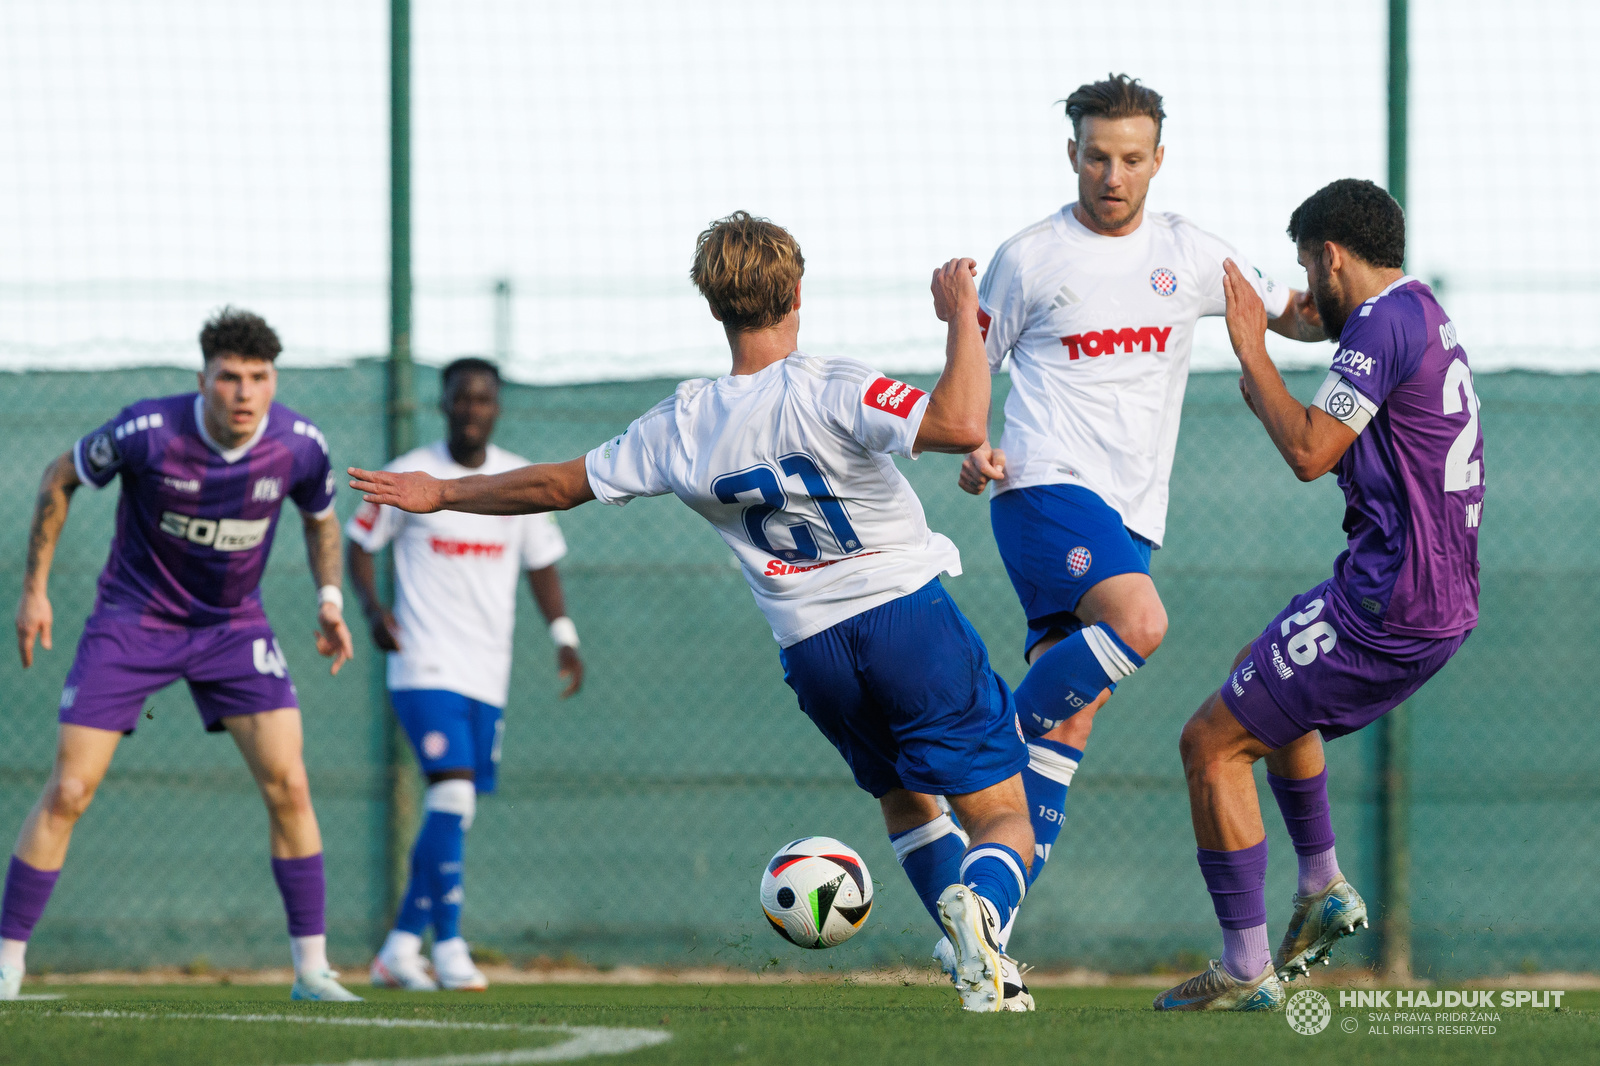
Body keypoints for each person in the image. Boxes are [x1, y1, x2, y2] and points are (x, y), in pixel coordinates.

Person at [351, 212, 1038, 1012]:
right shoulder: (831, 385)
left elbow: (559, 486)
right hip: (905, 620)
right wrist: (961, 314)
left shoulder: (681, 423)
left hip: (812, 652)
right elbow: (959, 424)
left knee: (904, 799)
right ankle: (983, 915)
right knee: (1002, 818)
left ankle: (981, 968)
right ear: (797, 294)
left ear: (714, 307)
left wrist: (444, 493)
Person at [958, 74, 1325, 902]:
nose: (1112, 176)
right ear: (1072, 155)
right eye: (1096, 157)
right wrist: (976, 443)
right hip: (1044, 485)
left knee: (1074, 719)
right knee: (1141, 622)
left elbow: (1295, 313)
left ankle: (984, 921)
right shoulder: (1030, 257)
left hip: (1130, 516)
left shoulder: (1192, 252)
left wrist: (1370, 307)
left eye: (1130, 159)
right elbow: (971, 373)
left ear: (1159, 159)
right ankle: (973, 760)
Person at [1154, 179, 1482, 1010]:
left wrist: (1251, 354)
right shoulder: (1416, 313)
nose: (1308, 282)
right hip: (1419, 595)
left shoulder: (1379, 327)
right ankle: (1322, 882)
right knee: (1255, 680)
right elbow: (1335, 341)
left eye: (1309, 265)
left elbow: (1310, 450)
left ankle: (1243, 968)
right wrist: (1278, 316)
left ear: (1332, 255)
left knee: (1211, 744)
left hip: (1388, 604)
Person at [2, 308, 361, 1002]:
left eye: (259, 378)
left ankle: (313, 971)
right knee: (70, 790)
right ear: (202, 379)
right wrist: (34, 591)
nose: (246, 394)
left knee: (290, 785)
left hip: (233, 627)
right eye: (230, 378)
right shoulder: (147, 432)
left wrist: (329, 600)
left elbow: (321, 520)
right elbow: (59, 476)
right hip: (133, 621)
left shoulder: (299, 445)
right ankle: (7, 963)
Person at [347, 357, 584, 992]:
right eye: (461, 398)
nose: (472, 409)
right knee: (450, 796)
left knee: (456, 811)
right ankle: (448, 947)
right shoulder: (408, 474)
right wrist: (372, 610)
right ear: (444, 404)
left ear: (496, 407)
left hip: (487, 671)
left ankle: (398, 947)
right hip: (423, 663)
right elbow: (359, 545)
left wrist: (564, 636)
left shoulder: (518, 482)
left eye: (483, 399)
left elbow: (542, 564)